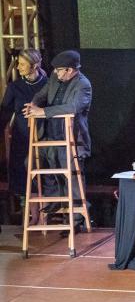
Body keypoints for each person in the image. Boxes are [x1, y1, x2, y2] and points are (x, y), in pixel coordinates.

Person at [22, 50, 92, 222]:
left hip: (71, 138)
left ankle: (76, 219)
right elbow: (42, 94)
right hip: (49, 135)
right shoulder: (55, 78)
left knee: (72, 175)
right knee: (32, 163)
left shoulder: (83, 85)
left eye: (59, 70)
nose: (55, 73)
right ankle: (55, 199)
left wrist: (43, 111)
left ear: (70, 70)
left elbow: (73, 107)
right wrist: (34, 104)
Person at [1, 50, 47, 200]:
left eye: (22, 64)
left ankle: (44, 214)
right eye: (17, 64)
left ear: (34, 66)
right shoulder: (15, 87)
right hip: (21, 138)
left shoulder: (48, 85)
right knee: (22, 175)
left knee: (43, 173)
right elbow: (4, 113)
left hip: (43, 136)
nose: (18, 68)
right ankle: (32, 216)